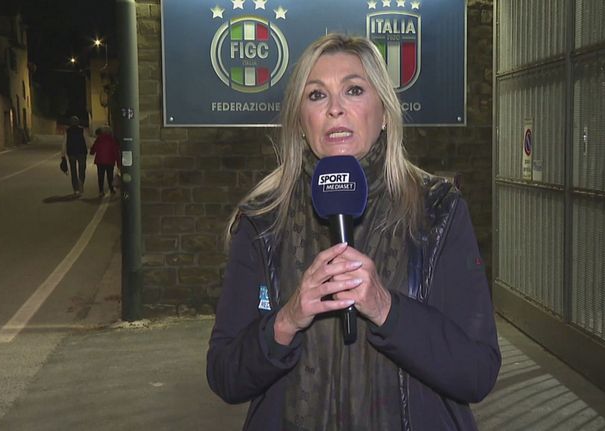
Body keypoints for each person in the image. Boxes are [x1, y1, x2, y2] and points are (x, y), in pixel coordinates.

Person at [207, 34, 501, 430]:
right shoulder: (263, 220)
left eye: (354, 90)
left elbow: (477, 371)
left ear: (384, 113)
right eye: (316, 95)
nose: (335, 109)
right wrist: (286, 320)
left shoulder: (438, 211)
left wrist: (387, 309)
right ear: (300, 121)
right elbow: (225, 375)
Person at [89, 125, 120, 197]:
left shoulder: (99, 139)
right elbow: (116, 152)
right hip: (110, 161)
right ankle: (111, 189)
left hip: (100, 161)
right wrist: (118, 163)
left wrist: (92, 152)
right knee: (110, 176)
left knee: (100, 176)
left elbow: (93, 149)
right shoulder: (112, 140)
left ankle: (101, 191)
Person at [61, 115, 88, 196]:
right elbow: (87, 141)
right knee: (82, 169)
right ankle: (81, 183)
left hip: (71, 153)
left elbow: (64, 143)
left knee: (73, 171)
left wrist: (63, 153)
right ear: (78, 122)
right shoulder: (82, 130)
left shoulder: (67, 131)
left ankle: (76, 189)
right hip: (82, 152)